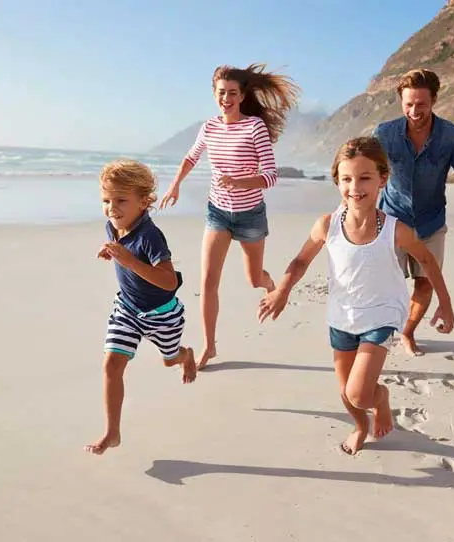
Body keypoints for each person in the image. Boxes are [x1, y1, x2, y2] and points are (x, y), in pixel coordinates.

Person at [258, 137, 454, 455]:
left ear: (382, 179)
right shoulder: (327, 225)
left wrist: (445, 303)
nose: (355, 187)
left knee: (361, 394)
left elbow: (428, 261)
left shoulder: (396, 229)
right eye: (347, 179)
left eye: (365, 178)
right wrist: (282, 289)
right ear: (337, 181)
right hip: (342, 317)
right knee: (347, 395)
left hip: (382, 315)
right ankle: (361, 426)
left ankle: (380, 399)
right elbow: (300, 260)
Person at [159, 63, 299, 369]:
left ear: (242, 95)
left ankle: (269, 282)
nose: (226, 98)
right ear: (214, 94)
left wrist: (239, 182)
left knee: (253, 279)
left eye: (232, 93)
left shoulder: (254, 127)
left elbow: (271, 175)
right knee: (208, 281)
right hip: (218, 214)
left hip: (250, 216)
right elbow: (191, 156)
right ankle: (209, 346)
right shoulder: (209, 127)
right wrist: (175, 185)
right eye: (221, 93)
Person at [85, 159, 196, 456]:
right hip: (128, 310)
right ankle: (112, 432)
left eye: (121, 200)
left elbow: (169, 281)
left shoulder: (151, 236)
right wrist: (111, 252)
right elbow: (122, 252)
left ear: (145, 202)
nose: (112, 208)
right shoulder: (112, 226)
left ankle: (185, 355)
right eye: (106, 200)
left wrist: (129, 261)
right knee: (111, 364)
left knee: (169, 360)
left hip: (163, 316)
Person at [373, 68, 454, 357]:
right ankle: (382, 331)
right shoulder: (384, 133)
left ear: (434, 100)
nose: (414, 110)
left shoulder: (453, 136)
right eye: (408, 103)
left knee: (425, 283)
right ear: (400, 101)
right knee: (388, 283)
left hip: (431, 221)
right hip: (391, 220)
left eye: (421, 104)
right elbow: (366, 171)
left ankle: (407, 333)